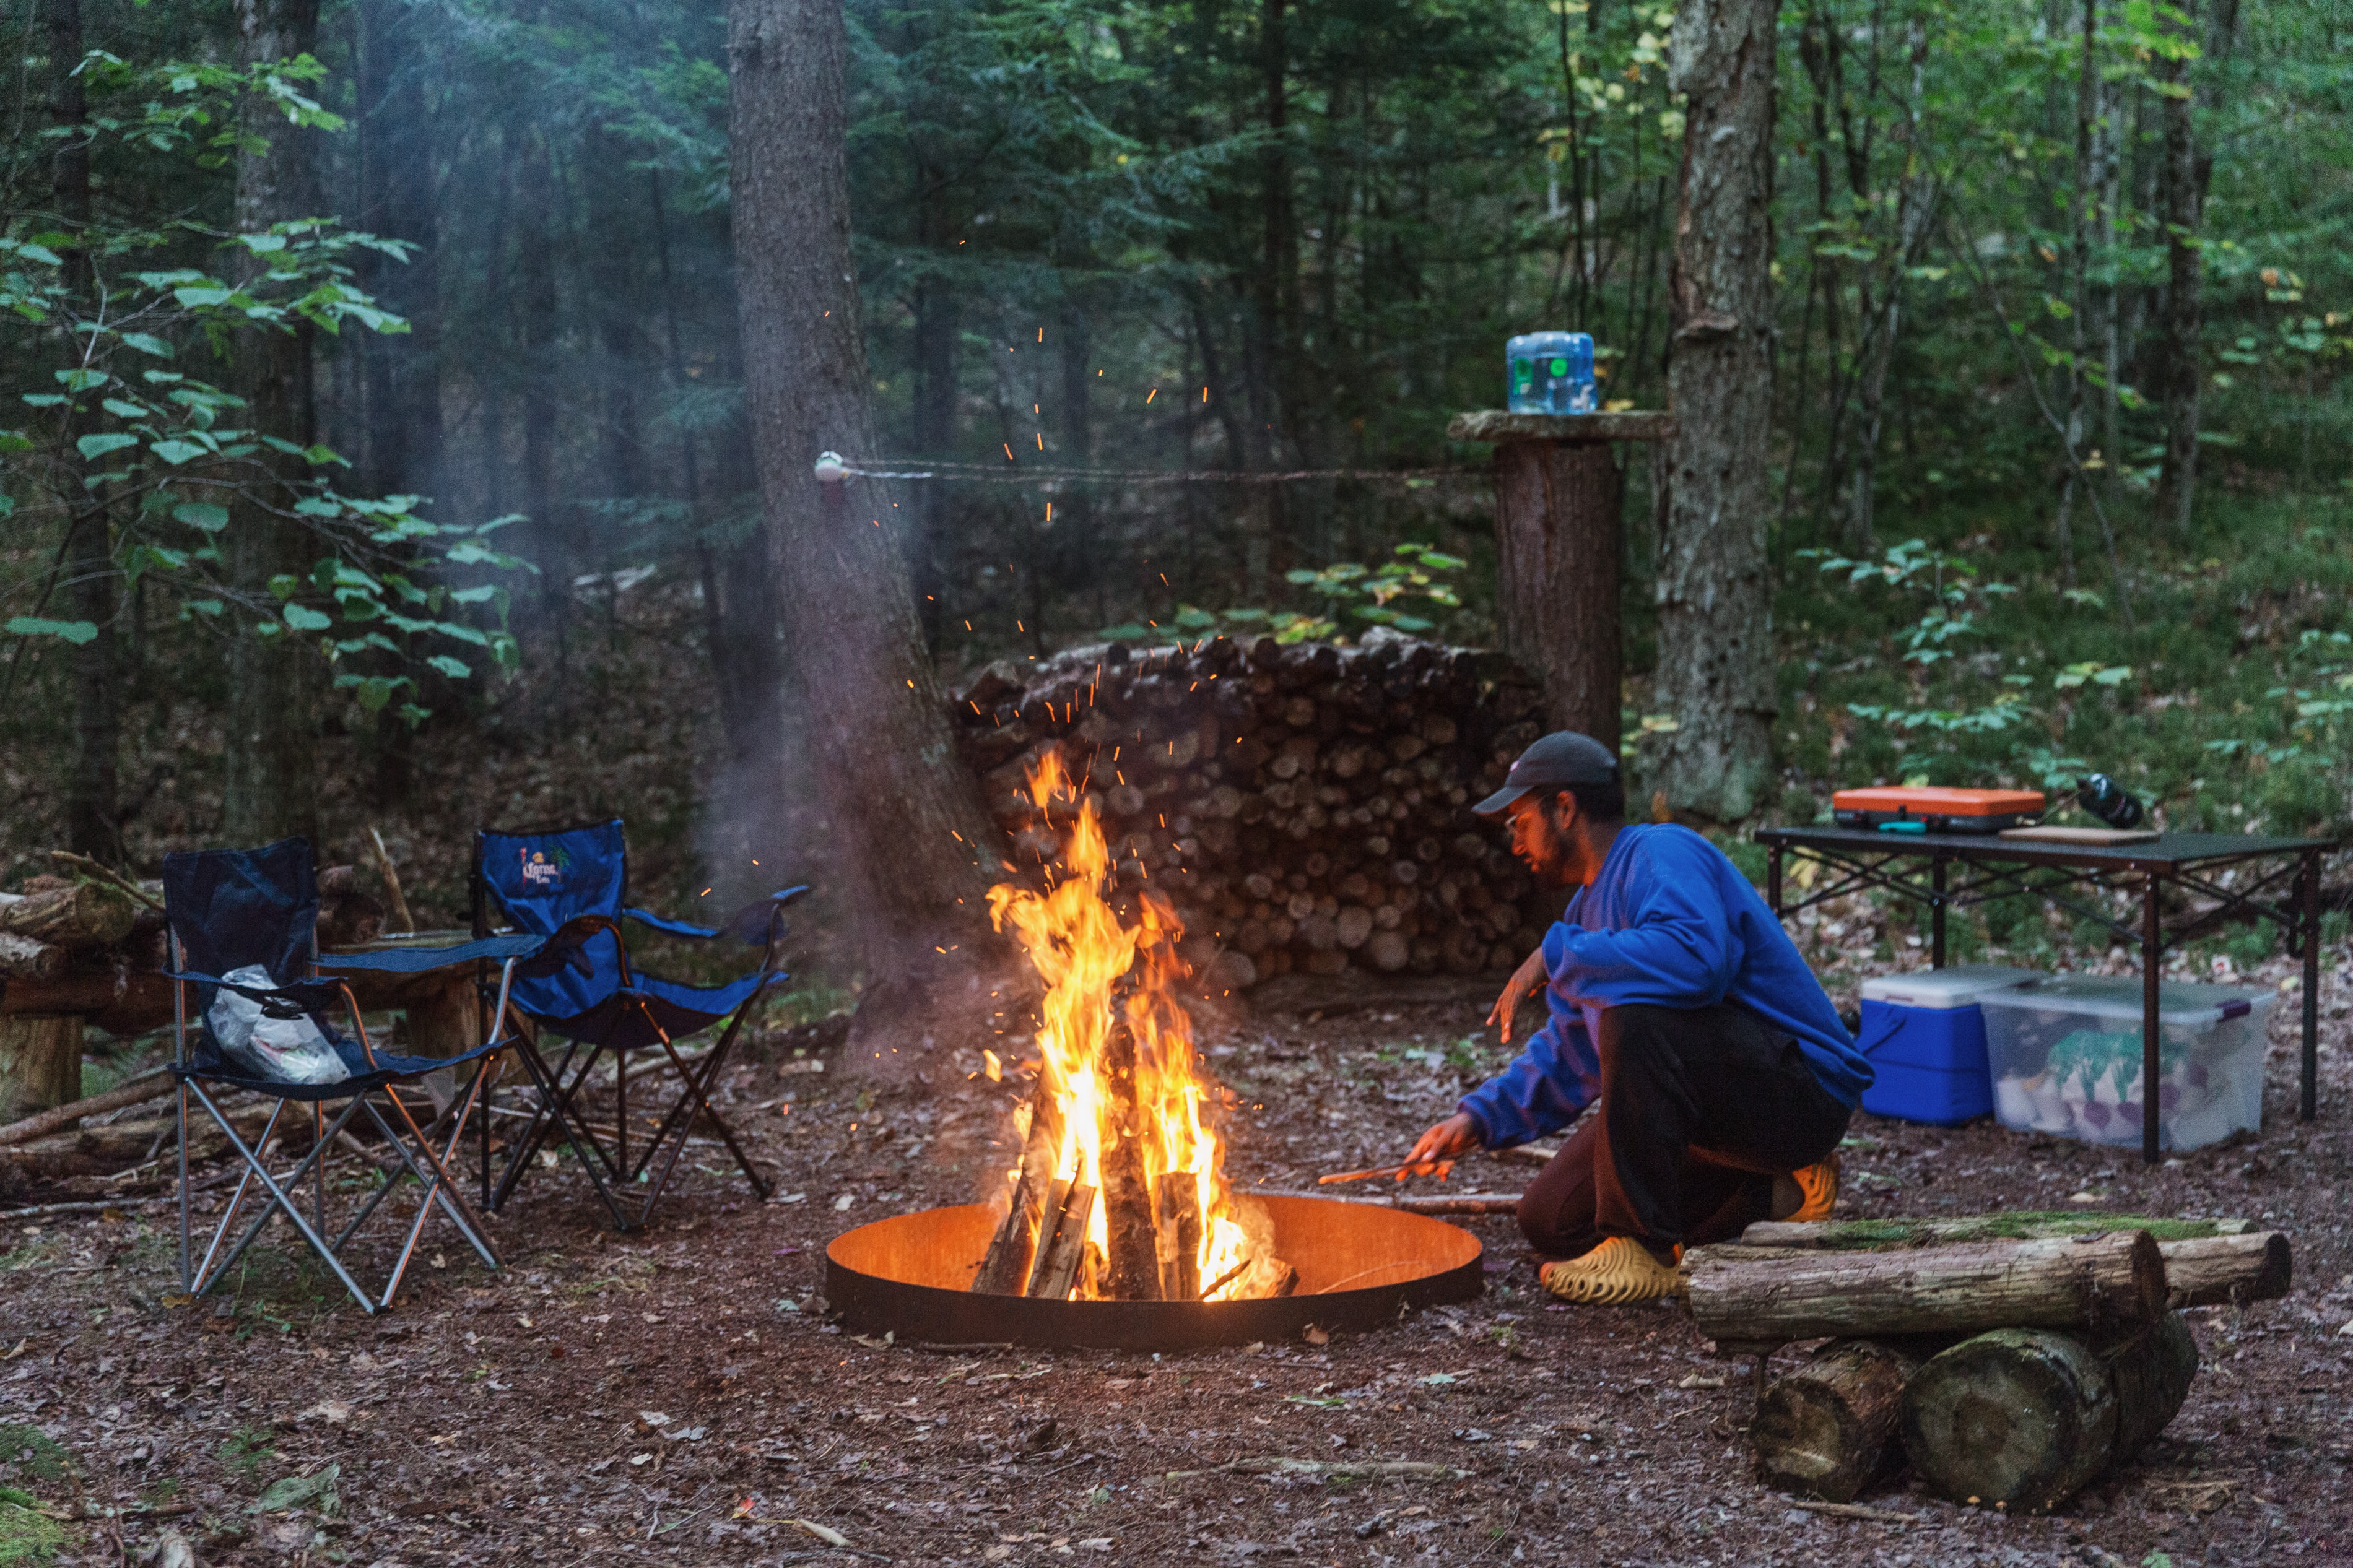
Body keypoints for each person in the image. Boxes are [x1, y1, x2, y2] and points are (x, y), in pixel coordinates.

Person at [1403, 732, 1868, 1304]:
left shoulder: (1661, 852)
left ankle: (1643, 1247)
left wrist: (1555, 953)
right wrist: (1477, 1120)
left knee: (1635, 1016)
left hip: (1801, 1095)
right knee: (1552, 1219)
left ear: (1565, 808)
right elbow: (1572, 1052)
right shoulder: (1586, 910)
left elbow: (1699, 959)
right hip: (1713, 1114)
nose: (1514, 840)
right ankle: (1777, 1194)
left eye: (1518, 821)